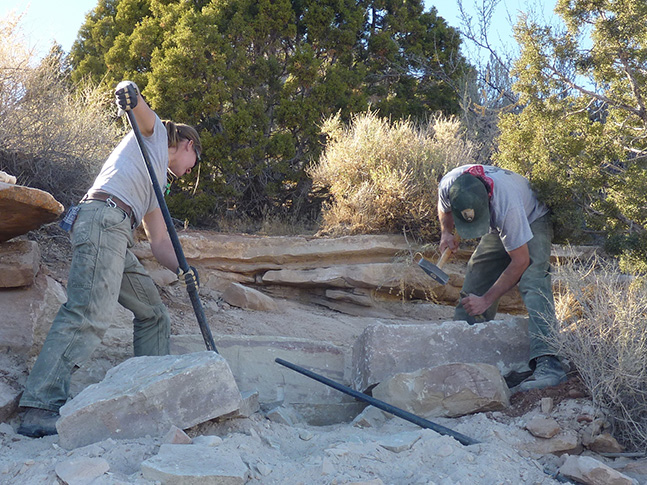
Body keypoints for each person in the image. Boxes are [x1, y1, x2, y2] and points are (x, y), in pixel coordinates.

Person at [17, 81, 201, 437]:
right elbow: (139, 109)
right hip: (104, 218)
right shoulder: (156, 138)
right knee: (89, 312)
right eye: (197, 160)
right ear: (189, 145)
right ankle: (40, 404)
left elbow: (160, 240)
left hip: (118, 232)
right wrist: (128, 90)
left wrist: (183, 269)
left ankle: (150, 395)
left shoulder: (156, 182)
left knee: (154, 314)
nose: (193, 169)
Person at [437, 164, 566, 392]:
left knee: (533, 279)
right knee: (479, 269)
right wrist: (446, 232)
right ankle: (461, 346)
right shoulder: (450, 185)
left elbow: (520, 262)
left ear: (487, 202)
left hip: (532, 215)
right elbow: (444, 210)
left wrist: (486, 300)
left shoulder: (507, 207)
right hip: (500, 217)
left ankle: (549, 362)